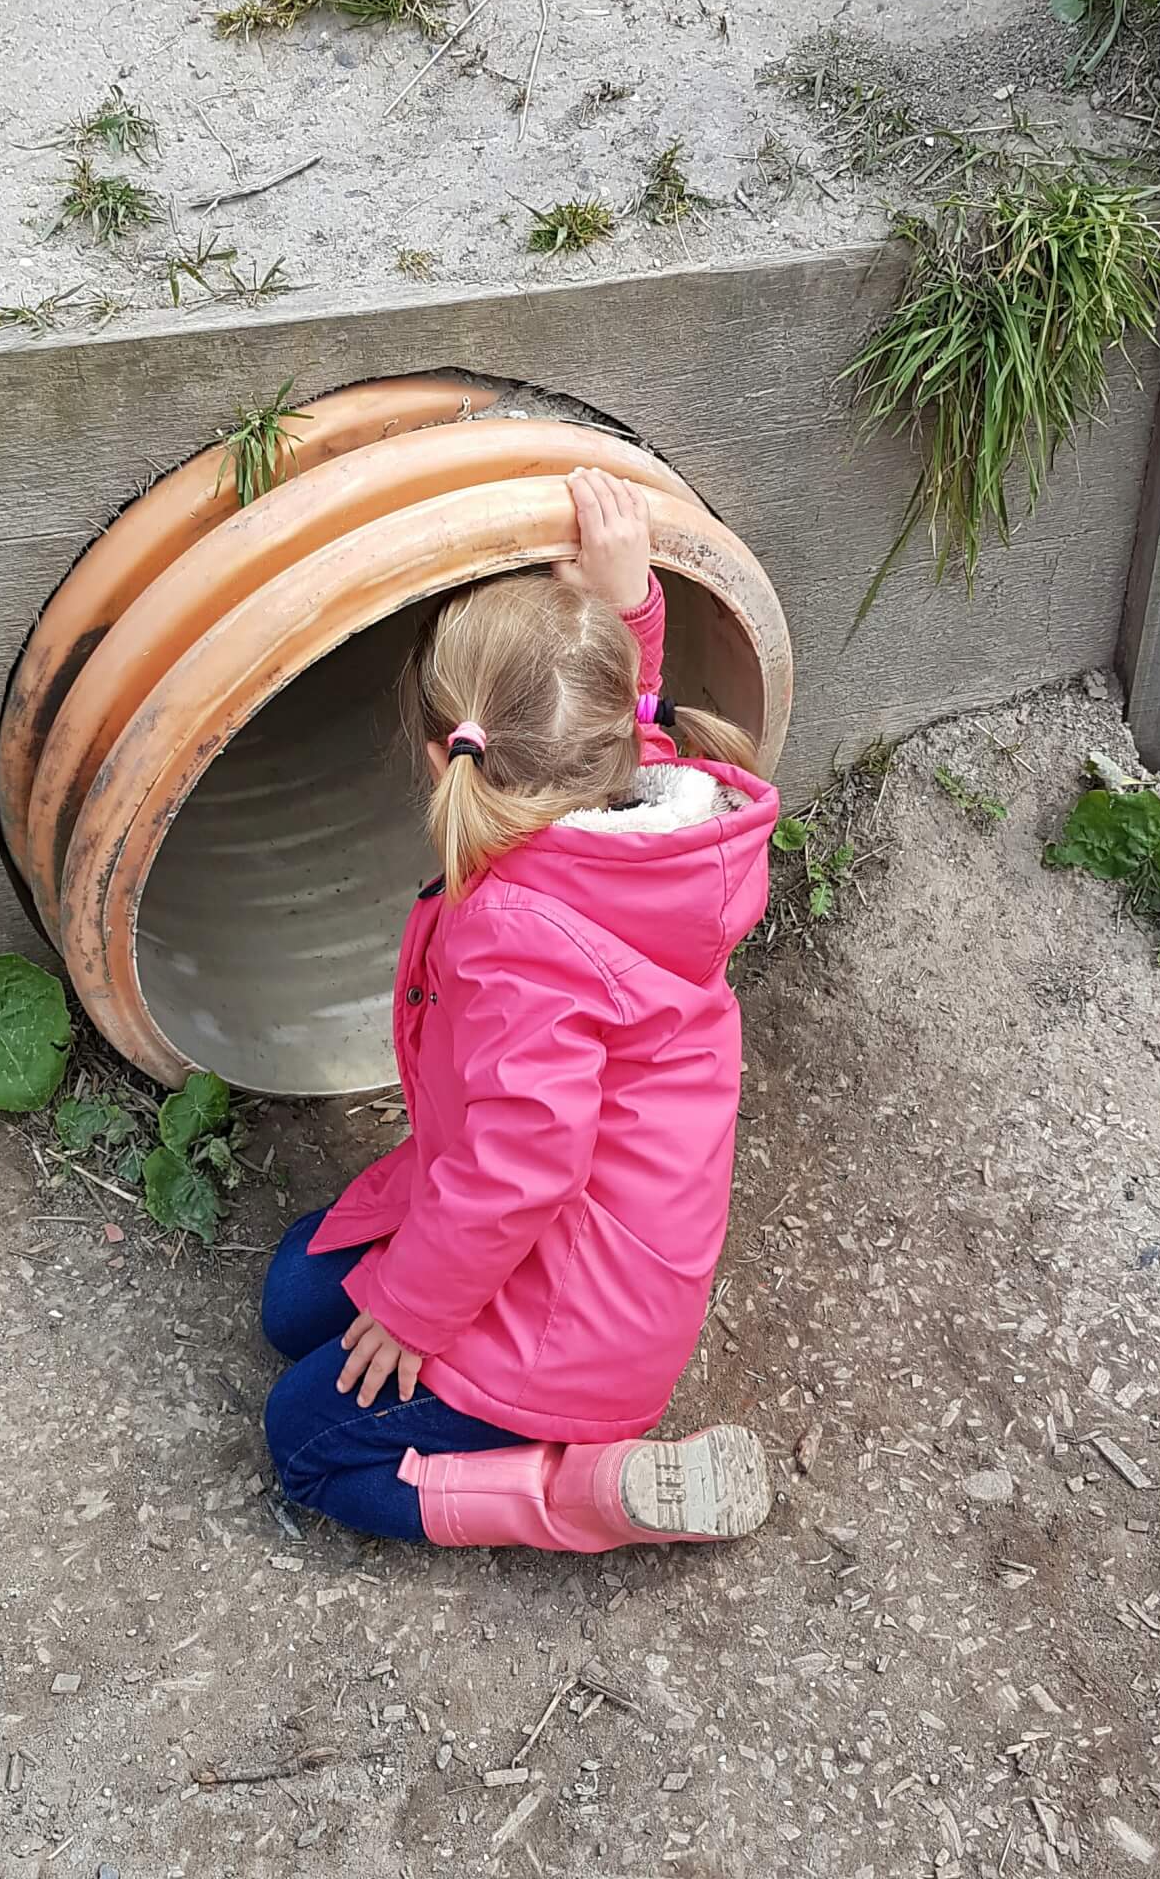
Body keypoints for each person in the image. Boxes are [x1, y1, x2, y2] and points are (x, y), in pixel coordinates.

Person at [258, 467, 779, 1552]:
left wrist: (411, 1310)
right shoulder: (652, 810)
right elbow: (601, 712)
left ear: (441, 746)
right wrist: (627, 606)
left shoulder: (516, 929)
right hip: (609, 1256)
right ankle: (471, 1371)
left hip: (570, 1321)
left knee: (300, 1435)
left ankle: (579, 1488)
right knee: (287, 1300)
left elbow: (523, 1163)